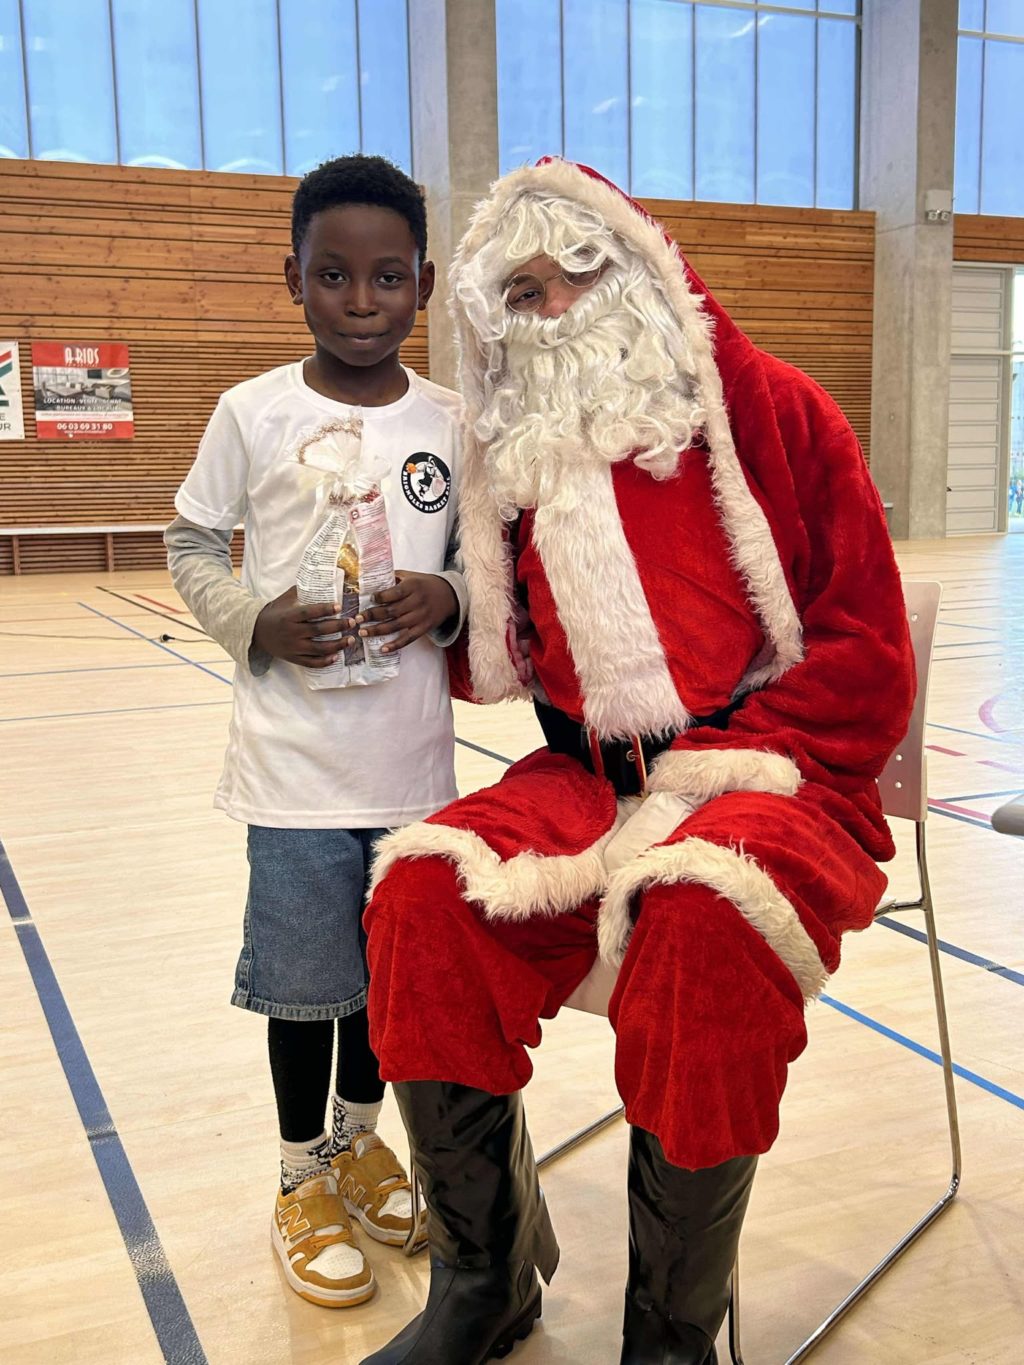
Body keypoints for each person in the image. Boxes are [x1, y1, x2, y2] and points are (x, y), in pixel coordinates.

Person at [359, 159, 915, 1364]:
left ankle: (669, 1336)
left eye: (579, 271)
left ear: (647, 269)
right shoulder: (510, 460)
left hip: (772, 769)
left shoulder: (776, 414)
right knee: (418, 898)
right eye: (524, 291)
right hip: (584, 779)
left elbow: (868, 654)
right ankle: (484, 1279)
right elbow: (499, 655)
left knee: (703, 916)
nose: (555, 306)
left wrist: (719, 773)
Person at [164, 155, 466, 1311]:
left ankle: (359, 1144)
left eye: (387, 277)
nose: (360, 300)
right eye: (332, 275)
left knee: (386, 987)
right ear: (292, 277)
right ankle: (299, 1176)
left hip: (411, 776)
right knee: (304, 987)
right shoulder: (252, 412)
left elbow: (483, 567)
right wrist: (253, 621)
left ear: (422, 284)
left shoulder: (451, 423)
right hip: (291, 775)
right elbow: (192, 543)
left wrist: (447, 598)